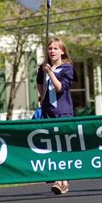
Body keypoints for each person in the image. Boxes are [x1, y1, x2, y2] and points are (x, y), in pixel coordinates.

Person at [36, 37, 76, 194]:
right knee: (52, 145)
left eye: (55, 48)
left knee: (63, 145)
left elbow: (59, 88)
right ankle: (57, 176)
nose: (52, 51)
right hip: (48, 111)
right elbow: (39, 83)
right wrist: (42, 95)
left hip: (62, 110)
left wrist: (50, 73)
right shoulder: (43, 67)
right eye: (50, 48)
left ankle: (63, 181)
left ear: (62, 51)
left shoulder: (67, 68)